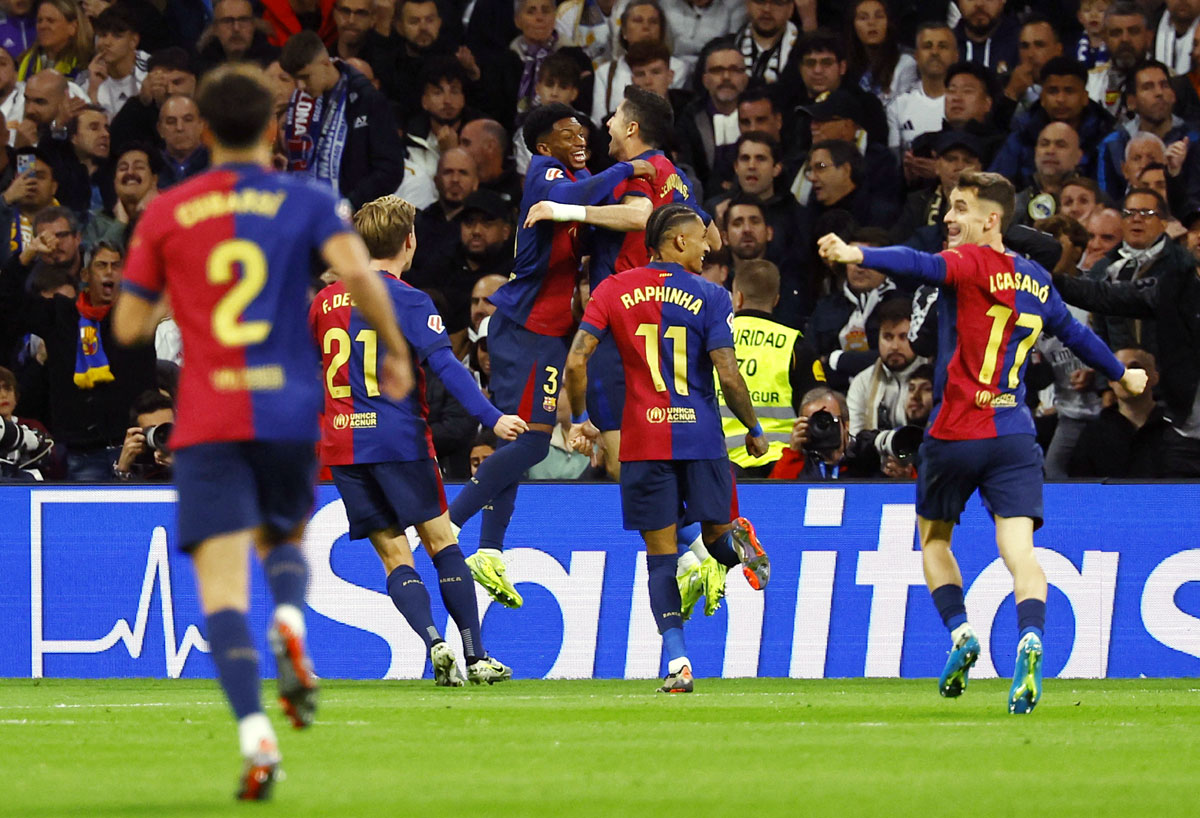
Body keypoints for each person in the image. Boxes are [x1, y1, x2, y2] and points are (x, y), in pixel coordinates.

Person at [112, 64, 414, 800]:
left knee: (218, 592)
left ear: (204, 131)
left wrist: (172, 291)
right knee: (281, 539)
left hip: (210, 418)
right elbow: (360, 278)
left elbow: (127, 325)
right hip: (286, 412)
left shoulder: (169, 210)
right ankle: (288, 615)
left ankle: (256, 738)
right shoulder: (306, 199)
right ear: (274, 129)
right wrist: (396, 352)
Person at [818, 170, 1148, 715]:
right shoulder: (1039, 281)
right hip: (1014, 436)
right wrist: (1122, 375)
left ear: (991, 220)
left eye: (962, 208)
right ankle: (1031, 637)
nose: (950, 218)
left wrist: (857, 250)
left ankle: (962, 633)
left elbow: (917, 263)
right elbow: (1079, 336)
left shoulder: (968, 263)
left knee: (934, 542)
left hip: (953, 434)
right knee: (1020, 551)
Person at [311, 194, 526, 686]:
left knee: (393, 555)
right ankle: (474, 656)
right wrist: (492, 418)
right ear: (409, 242)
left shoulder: (325, 301)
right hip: (398, 442)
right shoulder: (408, 299)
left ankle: (434, 643)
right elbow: (447, 366)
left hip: (344, 445)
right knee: (440, 540)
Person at [445, 102, 653, 609]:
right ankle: (447, 527)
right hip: (528, 329)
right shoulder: (547, 171)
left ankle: (489, 551)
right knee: (535, 444)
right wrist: (627, 168)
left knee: (518, 442)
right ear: (543, 146)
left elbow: (588, 202)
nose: (580, 137)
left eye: (583, 130)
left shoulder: (577, 173)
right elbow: (574, 197)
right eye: (567, 132)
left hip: (542, 331)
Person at [564, 203, 768, 693]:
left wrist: (579, 418)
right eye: (702, 239)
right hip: (701, 438)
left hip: (642, 442)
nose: (708, 246)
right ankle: (739, 544)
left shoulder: (612, 290)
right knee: (716, 538)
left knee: (661, 558)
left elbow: (575, 362)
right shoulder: (713, 295)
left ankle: (678, 664)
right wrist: (754, 429)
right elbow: (727, 372)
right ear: (678, 242)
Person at [719, 258, 824, 476]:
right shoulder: (795, 344)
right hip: (781, 464)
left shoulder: (715, 340)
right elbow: (817, 404)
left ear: (737, 298)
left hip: (723, 465)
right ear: (776, 300)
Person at [280, 30, 404, 210]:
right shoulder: (301, 102)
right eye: (296, 79)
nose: (300, 86)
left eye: (305, 77)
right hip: (310, 214)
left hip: (355, 220)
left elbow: (390, 170)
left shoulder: (366, 99)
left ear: (325, 63)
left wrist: (351, 203)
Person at [1068, 346, 1171, 478]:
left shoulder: (1176, 428)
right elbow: (1082, 488)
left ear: (1154, 377)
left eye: (1135, 368)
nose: (1126, 376)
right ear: (1110, 381)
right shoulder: (1094, 434)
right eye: (1118, 369)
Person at [111, 387, 173, 480]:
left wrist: (181, 465)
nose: (161, 434)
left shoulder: (193, 451)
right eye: (153, 429)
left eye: (167, 427)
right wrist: (123, 469)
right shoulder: (135, 458)